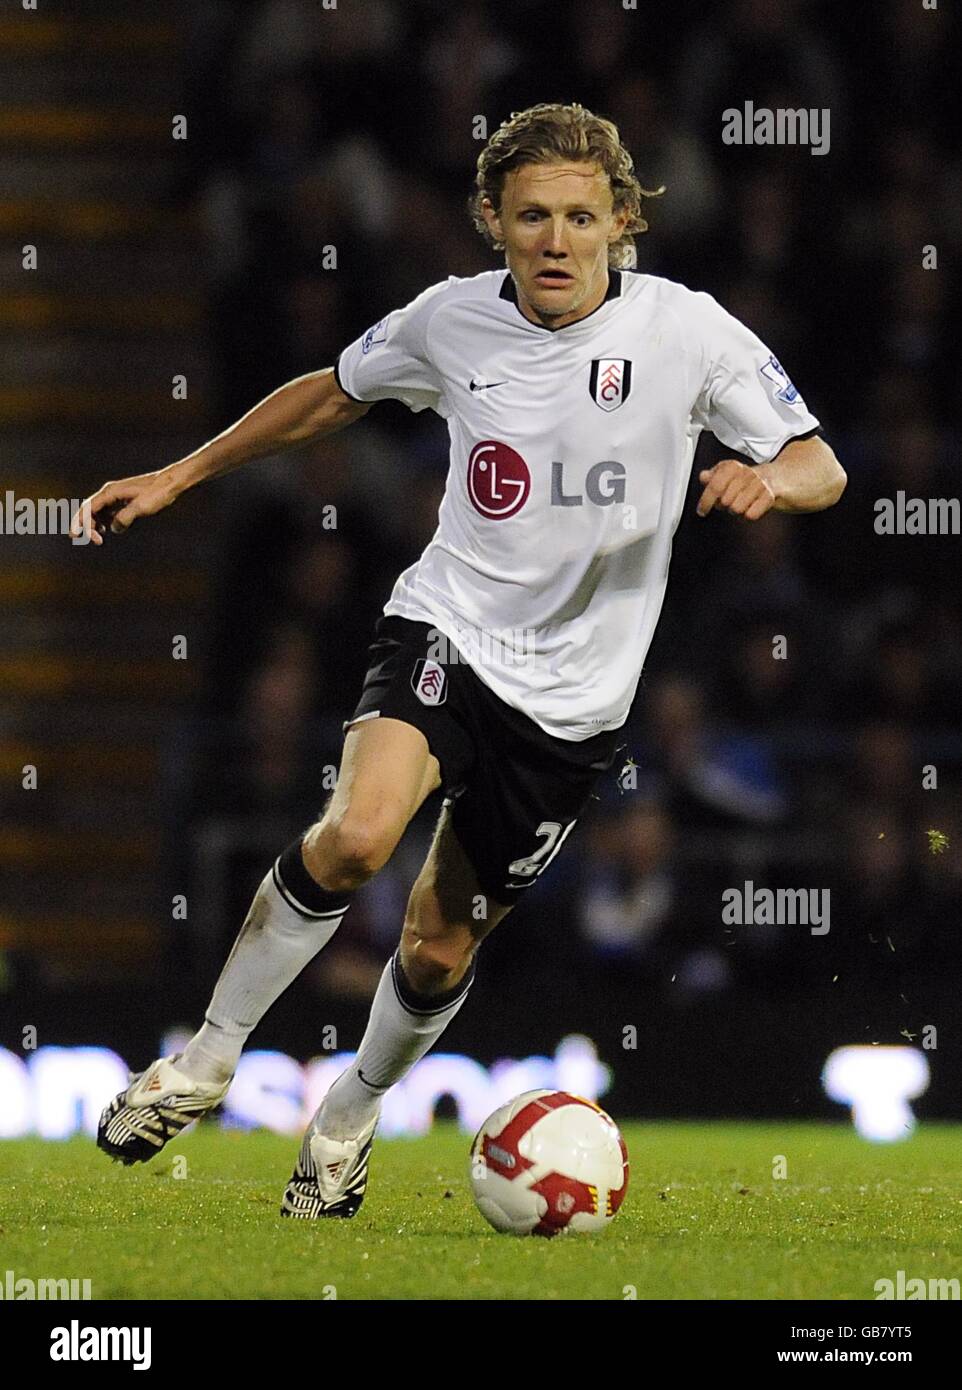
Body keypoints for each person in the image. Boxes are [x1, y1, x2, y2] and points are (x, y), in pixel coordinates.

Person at [72, 103, 846, 1219]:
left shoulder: (689, 334)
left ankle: (346, 1117)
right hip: (448, 629)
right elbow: (332, 391)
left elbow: (818, 460)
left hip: (574, 707)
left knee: (437, 947)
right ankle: (204, 1058)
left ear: (620, 221)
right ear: (492, 219)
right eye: (530, 215)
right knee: (356, 834)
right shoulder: (450, 321)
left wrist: (770, 480)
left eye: (580, 217)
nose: (554, 240)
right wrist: (179, 476)